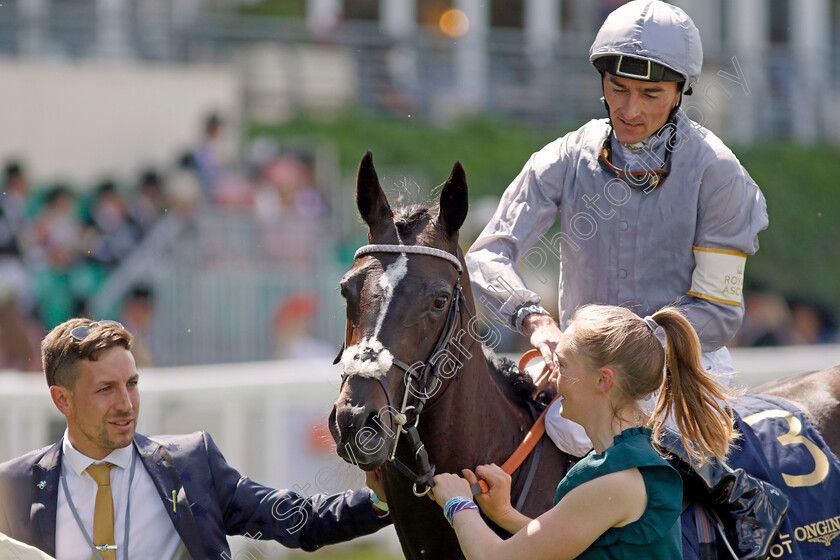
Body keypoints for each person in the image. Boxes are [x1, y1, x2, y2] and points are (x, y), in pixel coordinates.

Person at [464, 1, 777, 557]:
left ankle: (739, 499)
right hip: (578, 367)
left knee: (657, 430)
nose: (630, 110)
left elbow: (719, 311)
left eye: (651, 95)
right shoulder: (563, 157)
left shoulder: (720, 174)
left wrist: (629, 353)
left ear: (681, 91)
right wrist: (533, 320)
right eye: (617, 88)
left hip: (680, 368)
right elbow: (486, 256)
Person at [0, 319, 390, 559]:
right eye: (106, 389)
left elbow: (292, 519)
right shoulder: (12, 485)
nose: (126, 403)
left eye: (132, 384)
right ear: (62, 399)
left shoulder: (190, 462)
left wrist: (377, 499)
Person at [431, 304, 735, 559]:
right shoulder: (615, 462)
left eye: (562, 365)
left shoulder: (617, 481)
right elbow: (573, 542)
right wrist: (505, 514)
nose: (551, 378)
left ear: (603, 381)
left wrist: (458, 502)